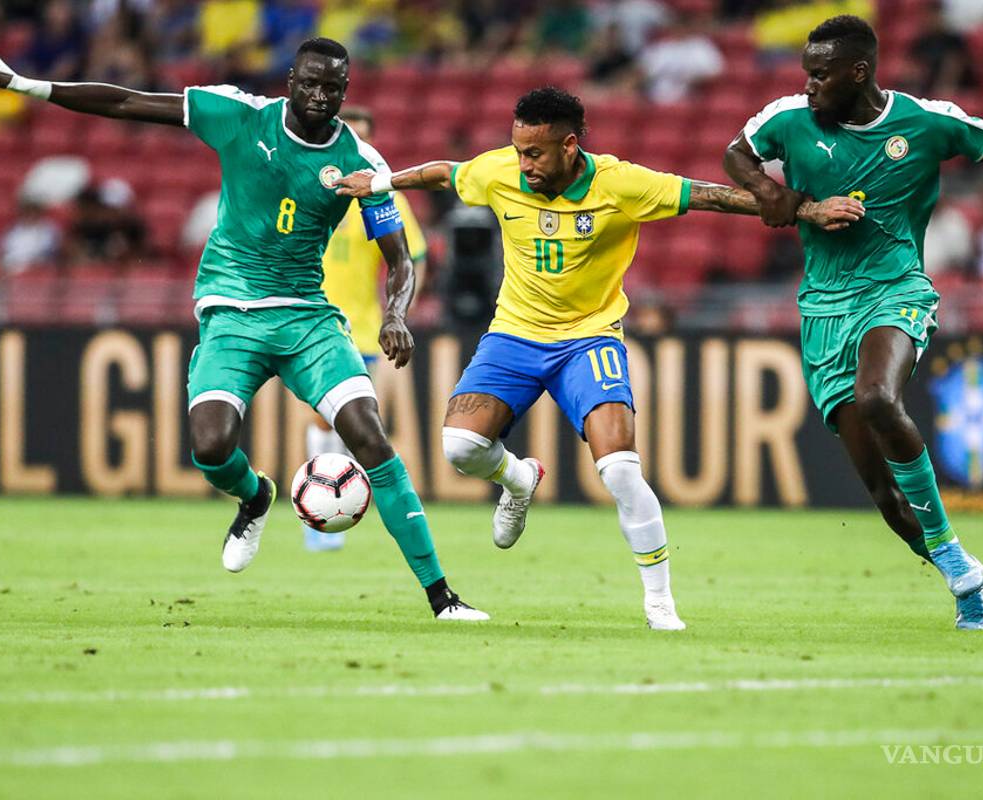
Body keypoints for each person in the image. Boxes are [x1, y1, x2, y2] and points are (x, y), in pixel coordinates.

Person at [0, 37, 488, 621]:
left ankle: (443, 597)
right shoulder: (237, 114)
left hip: (307, 319)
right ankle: (256, 496)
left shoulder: (363, 163)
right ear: (290, 79)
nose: (318, 95)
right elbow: (129, 102)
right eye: (309, 82)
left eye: (331, 87)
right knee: (210, 447)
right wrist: (25, 84)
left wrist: (394, 315)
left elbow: (402, 259)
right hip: (231, 312)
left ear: (345, 91)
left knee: (370, 436)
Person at [334, 87, 864, 630]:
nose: (523, 164)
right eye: (518, 150)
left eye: (534, 153)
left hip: (589, 339)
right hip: (514, 334)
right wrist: (377, 182)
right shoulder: (500, 172)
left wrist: (806, 208)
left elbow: (712, 196)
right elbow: (444, 173)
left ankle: (659, 603)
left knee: (619, 470)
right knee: (460, 448)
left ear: (569, 146)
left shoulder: (620, 183)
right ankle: (519, 479)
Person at [723, 15, 983, 631]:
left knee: (879, 400)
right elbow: (735, 154)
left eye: (819, 74)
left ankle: (956, 563)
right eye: (806, 72)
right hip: (822, 310)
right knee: (887, 500)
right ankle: (959, 568)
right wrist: (768, 189)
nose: (807, 85)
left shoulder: (926, 120)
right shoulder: (789, 119)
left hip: (897, 291)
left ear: (857, 72)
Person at [303, 105, 428, 553]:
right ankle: (317, 521)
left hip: (362, 328)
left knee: (354, 426)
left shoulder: (385, 197)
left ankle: (327, 510)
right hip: (311, 323)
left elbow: (412, 258)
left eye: (362, 138)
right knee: (324, 417)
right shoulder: (309, 184)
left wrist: (400, 312)